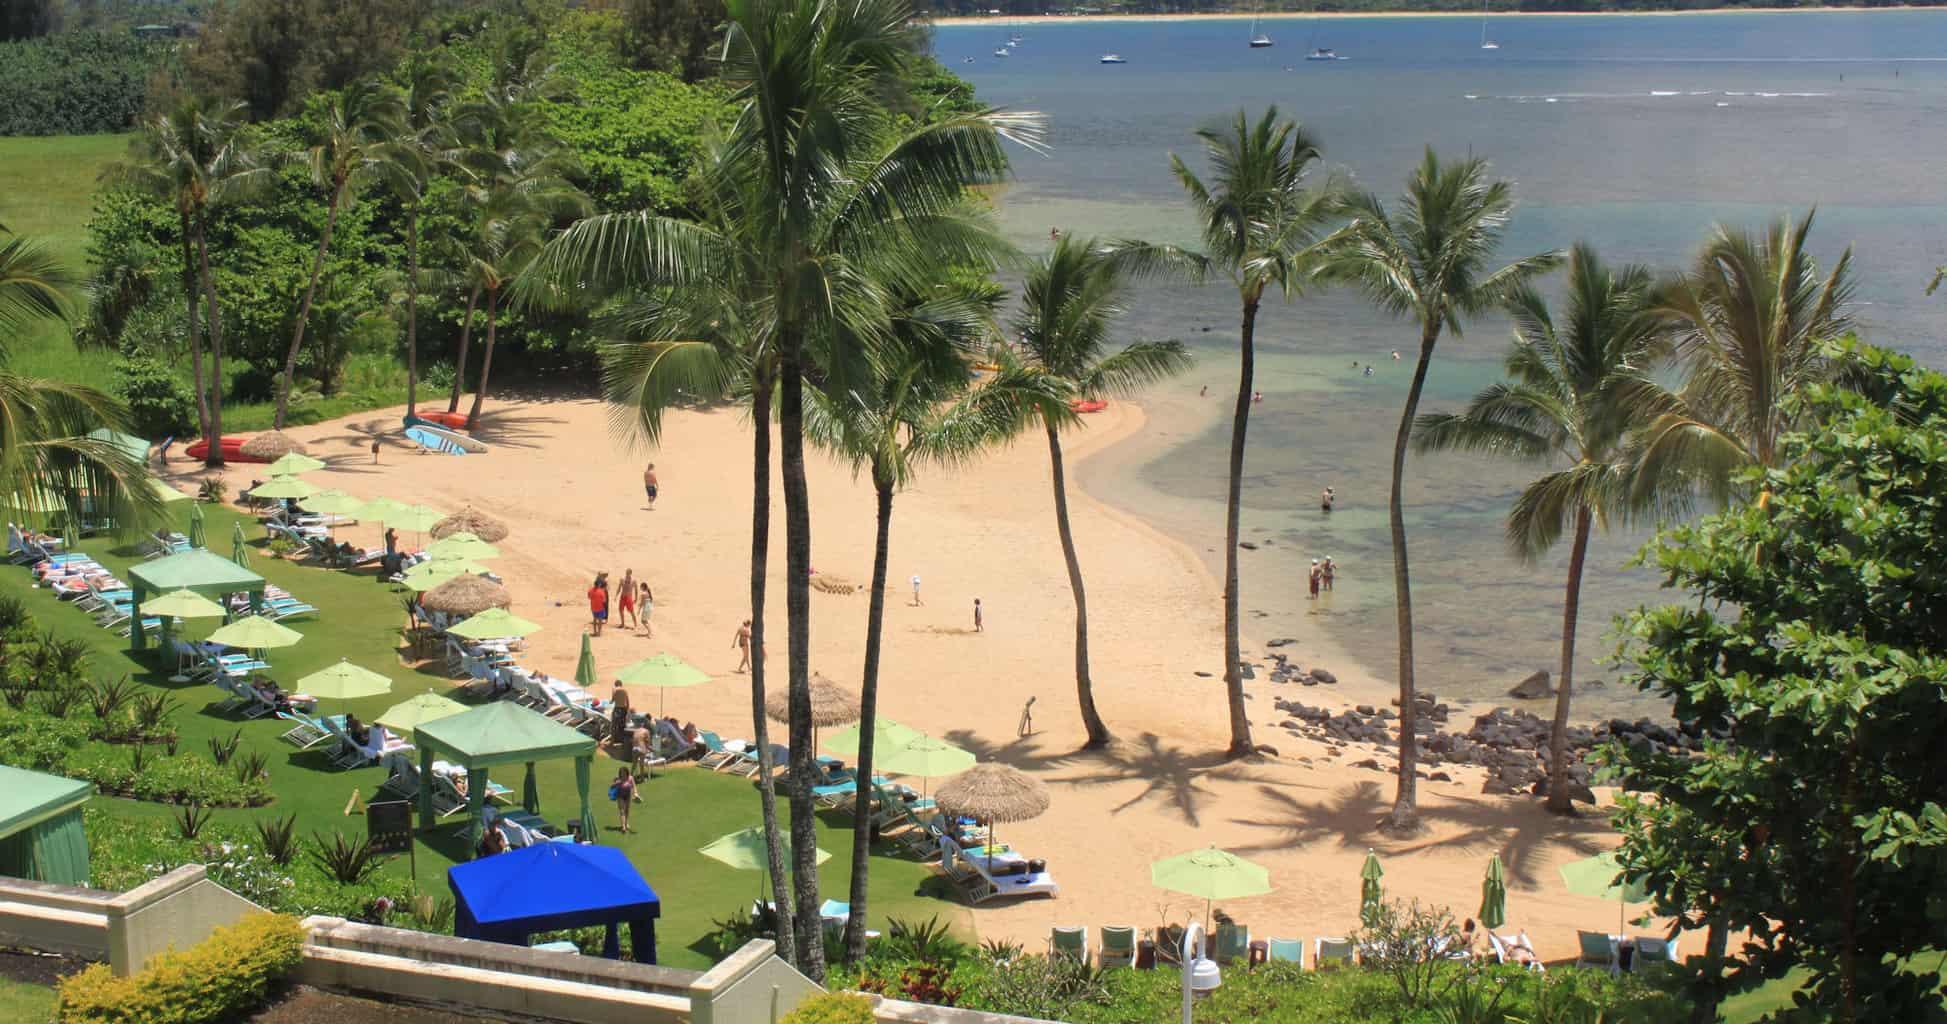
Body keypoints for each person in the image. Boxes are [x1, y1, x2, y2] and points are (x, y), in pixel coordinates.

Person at [611, 767, 637, 833]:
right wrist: (617, 783)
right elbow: (612, 787)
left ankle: (626, 823)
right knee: (622, 811)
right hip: (620, 796)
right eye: (621, 773)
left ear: (627, 772)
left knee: (627, 810)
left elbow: (634, 786)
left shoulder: (630, 778)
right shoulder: (618, 779)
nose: (623, 775)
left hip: (628, 796)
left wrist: (635, 793)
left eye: (624, 773)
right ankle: (623, 827)